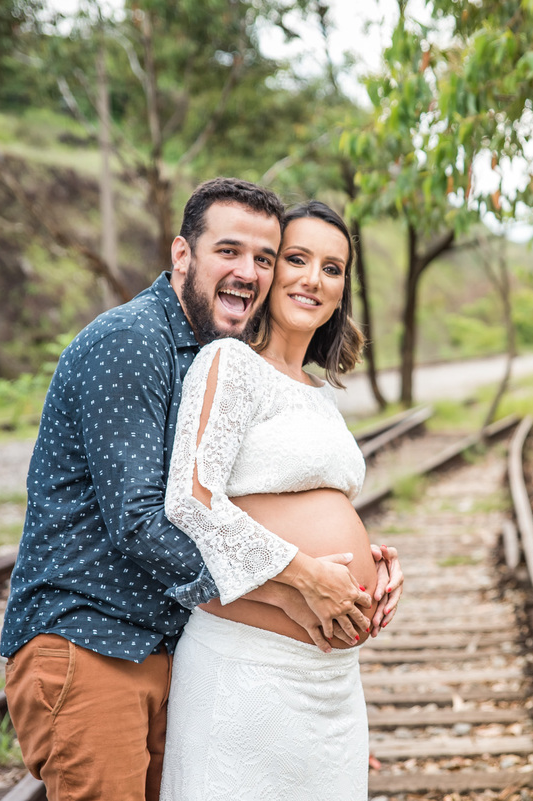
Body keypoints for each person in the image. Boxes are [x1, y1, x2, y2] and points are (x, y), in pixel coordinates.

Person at [0, 178, 402, 801]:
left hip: (162, 641)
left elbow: (251, 499)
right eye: (229, 252)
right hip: (92, 638)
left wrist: (358, 574)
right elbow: (144, 521)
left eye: (263, 259)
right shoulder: (132, 343)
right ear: (182, 255)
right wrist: (297, 585)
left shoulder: (214, 351)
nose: (249, 272)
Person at [159, 200, 382, 800]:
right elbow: (192, 498)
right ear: (271, 271)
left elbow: (317, 504)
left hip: (332, 684)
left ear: (342, 292)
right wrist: (307, 573)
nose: (314, 278)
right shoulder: (229, 363)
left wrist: (376, 563)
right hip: (249, 673)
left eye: (332, 268)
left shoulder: (321, 394)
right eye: (297, 259)